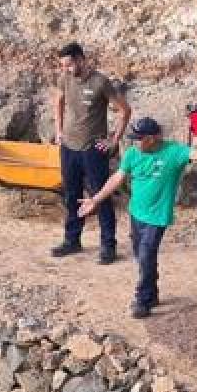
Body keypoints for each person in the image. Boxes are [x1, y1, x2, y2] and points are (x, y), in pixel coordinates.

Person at [78, 117, 197, 318]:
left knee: (146, 254)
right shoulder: (132, 153)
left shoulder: (173, 152)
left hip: (157, 217)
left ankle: (142, 300)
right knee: (142, 257)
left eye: (139, 139)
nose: (134, 143)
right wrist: (95, 200)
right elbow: (117, 178)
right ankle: (152, 292)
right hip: (136, 213)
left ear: (151, 138)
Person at [51, 42, 132, 264]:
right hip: (68, 147)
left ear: (80, 59)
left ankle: (108, 246)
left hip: (92, 149)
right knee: (71, 195)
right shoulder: (65, 79)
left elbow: (125, 111)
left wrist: (113, 140)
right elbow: (58, 101)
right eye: (63, 66)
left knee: (101, 196)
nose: (66, 69)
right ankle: (72, 240)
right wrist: (58, 130)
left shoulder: (100, 82)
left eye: (69, 65)